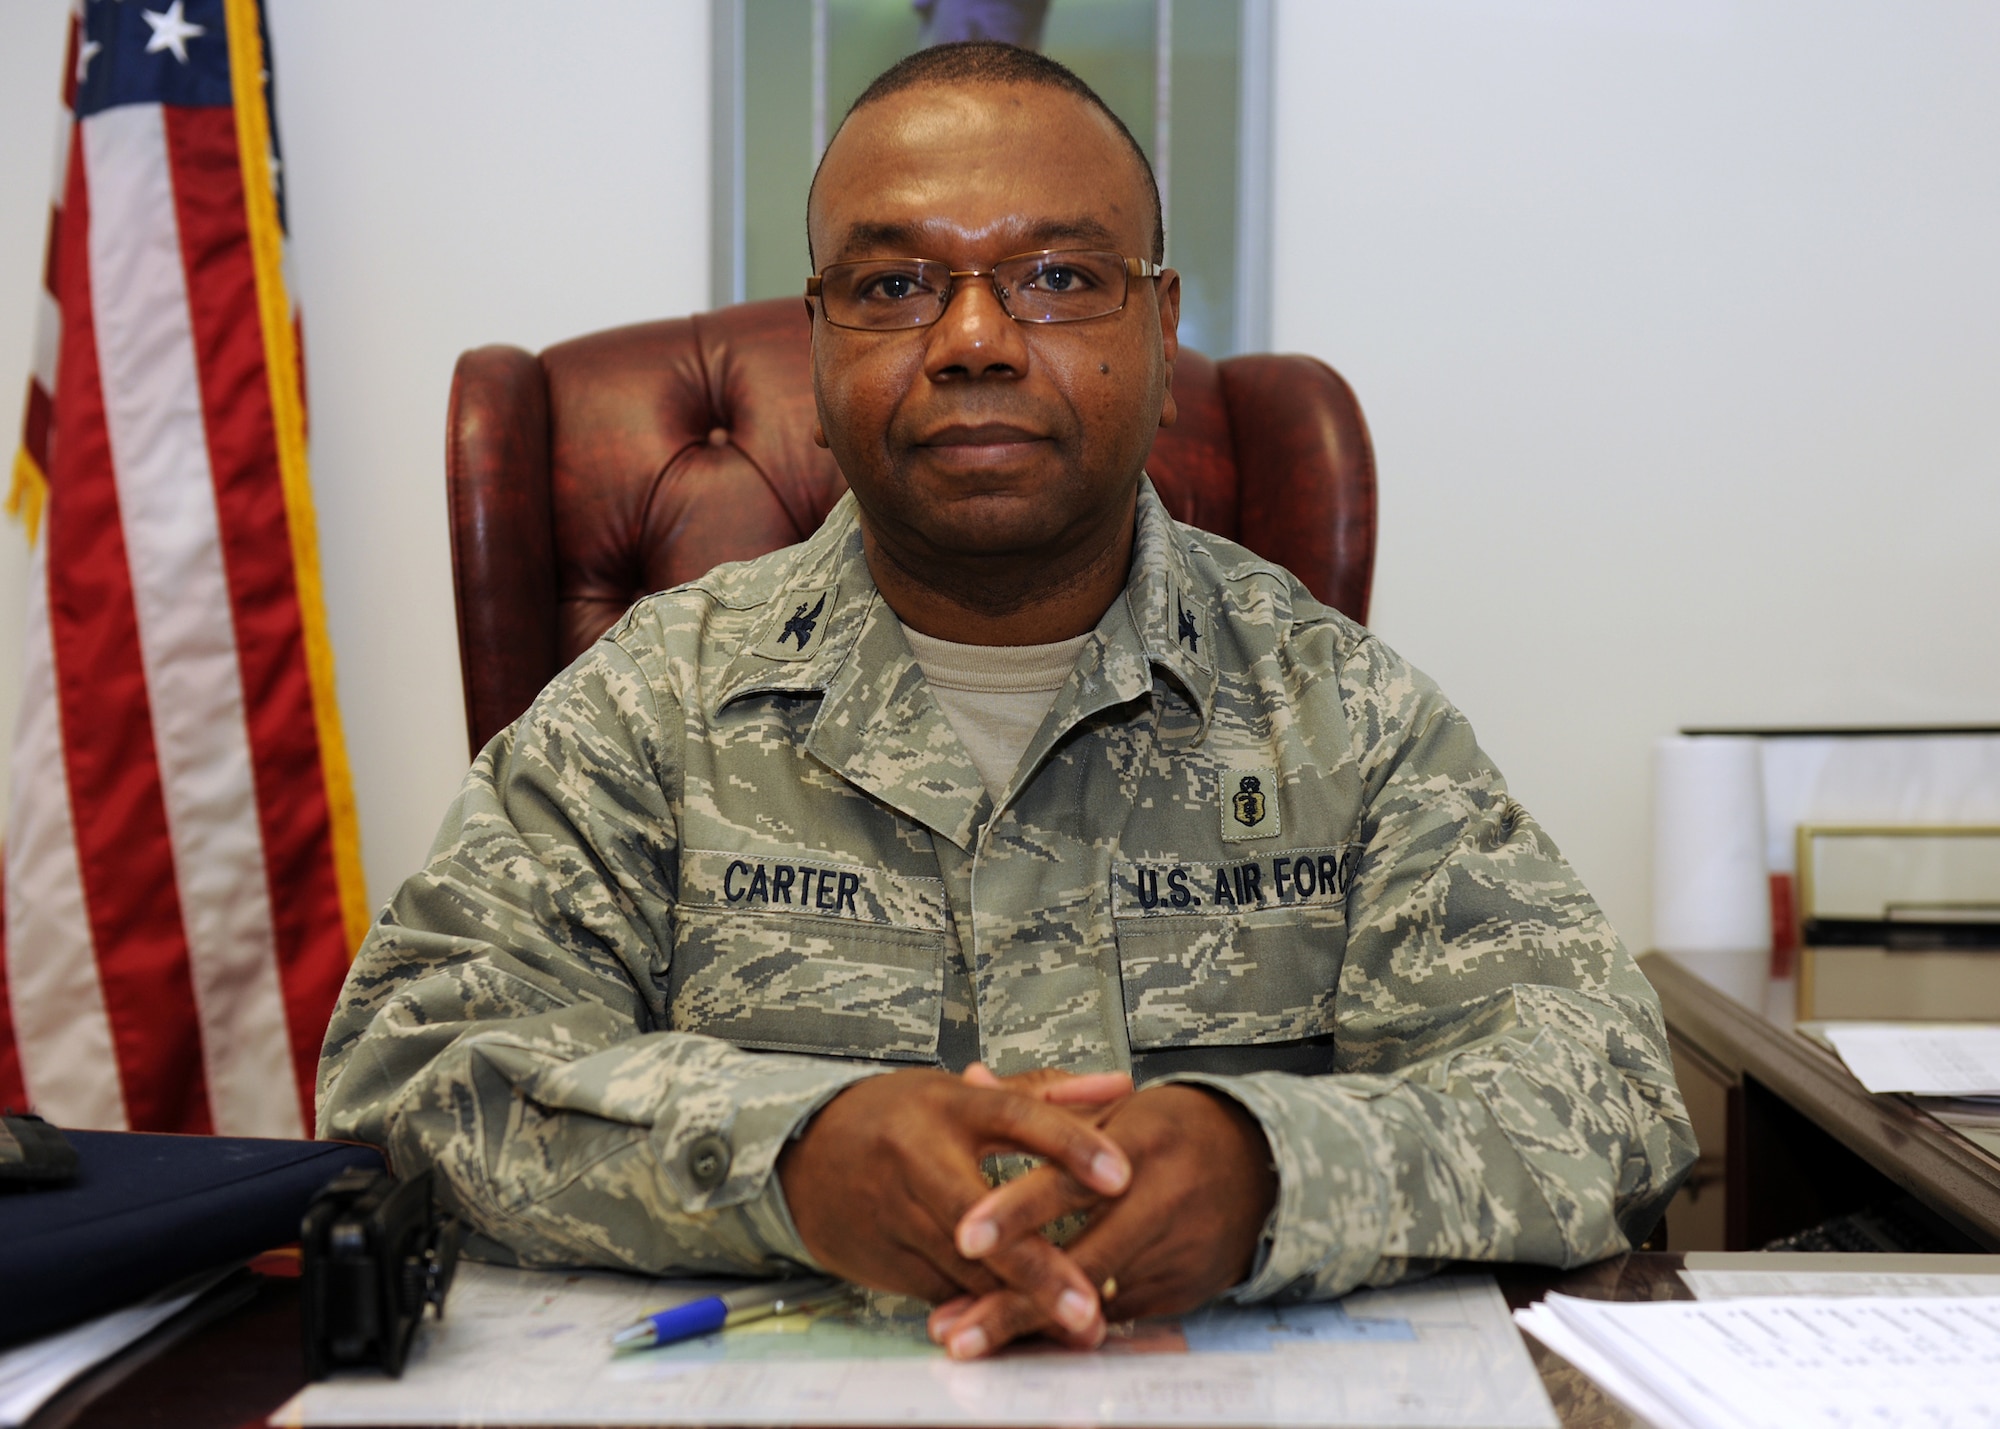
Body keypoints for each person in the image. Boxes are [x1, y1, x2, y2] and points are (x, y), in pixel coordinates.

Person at [318, 42, 1696, 1363]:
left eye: (1053, 274)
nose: (973, 338)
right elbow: (410, 1069)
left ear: (1159, 327)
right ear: (817, 339)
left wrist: (1271, 1172)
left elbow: (1607, 1087)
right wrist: (788, 1155)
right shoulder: (651, 708)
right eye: (897, 284)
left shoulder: (1341, 712)